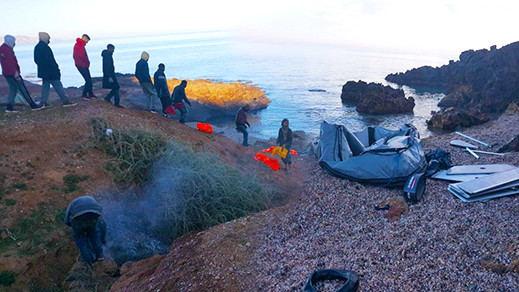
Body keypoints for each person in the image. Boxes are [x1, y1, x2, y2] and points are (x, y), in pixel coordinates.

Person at [0, 35, 43, 112]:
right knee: (23, 89)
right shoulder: (7, 49)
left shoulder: (2, 48)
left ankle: (9, 106)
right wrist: (16, 74)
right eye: (13, 42)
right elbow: (11, 62)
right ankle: (33, 105)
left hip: (6, 73)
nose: (14, 43)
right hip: (12, 73)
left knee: (13, 89)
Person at [33, 32, 76, 108]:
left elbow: (36, 60)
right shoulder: (45, 47)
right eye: (48, 39)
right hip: (50, 71)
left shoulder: (37, 47)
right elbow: (51, 60)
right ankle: (65, 101)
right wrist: (56, 68)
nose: (49, 40)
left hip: (43, 71)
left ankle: (44, 102)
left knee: (45, 86)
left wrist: (42, 67)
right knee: (58, 85)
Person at [64, 196, 104, 266]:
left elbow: (66, 220)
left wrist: (74, 227)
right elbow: (100, 211)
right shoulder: (92, 199)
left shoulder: (72, 203)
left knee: (80, 238)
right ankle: (100, 256)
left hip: (79, 218)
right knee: (94, 233)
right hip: (93, 215)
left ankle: (87, 263)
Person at [73, 34, 95, 99]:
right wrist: (87, 62)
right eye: (87, 40)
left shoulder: (80, 45)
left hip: (82, 64)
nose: (87, 42)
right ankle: (84, 94)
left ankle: (90, 93)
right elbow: (81, 55)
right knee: (88, 80)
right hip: (81, 65)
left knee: (89, 79)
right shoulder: (79, 45)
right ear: (84, 38)